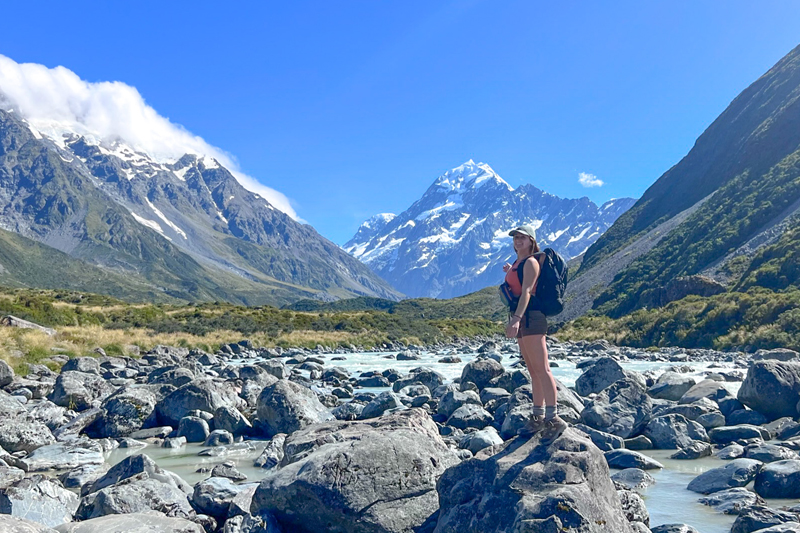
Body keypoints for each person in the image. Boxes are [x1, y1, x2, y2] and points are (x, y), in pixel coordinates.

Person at [503, 224, 567, 437]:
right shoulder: (518, 263)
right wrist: (509, 271)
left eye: (523, 237)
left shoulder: (530, 262)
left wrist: (516, 319)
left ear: (531, 240)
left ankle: (553, 418)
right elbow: (518, 285)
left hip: (531, 318)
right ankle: (538, 417)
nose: (518, 240)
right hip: (524, 320)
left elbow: (527, 292)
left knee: (542, 369)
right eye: (516, 237)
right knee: (533, 371)